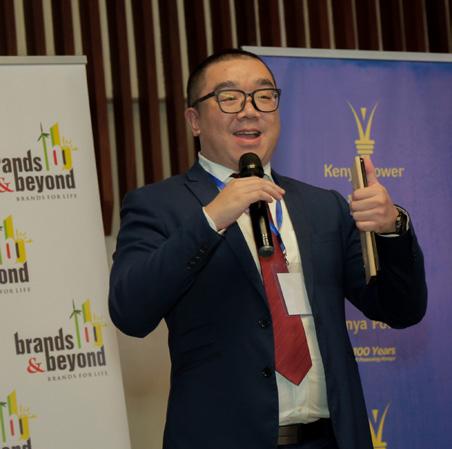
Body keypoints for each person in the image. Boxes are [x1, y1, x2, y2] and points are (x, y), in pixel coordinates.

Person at [109, 49, 427, 449]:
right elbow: (130, 312)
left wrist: (392, 228)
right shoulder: (157, 205)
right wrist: (211, 219)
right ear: (194, 120)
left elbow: (401, 309)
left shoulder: (323, 207)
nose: (250, 111)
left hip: (329, 438)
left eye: (264, 96)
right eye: (229, 98)